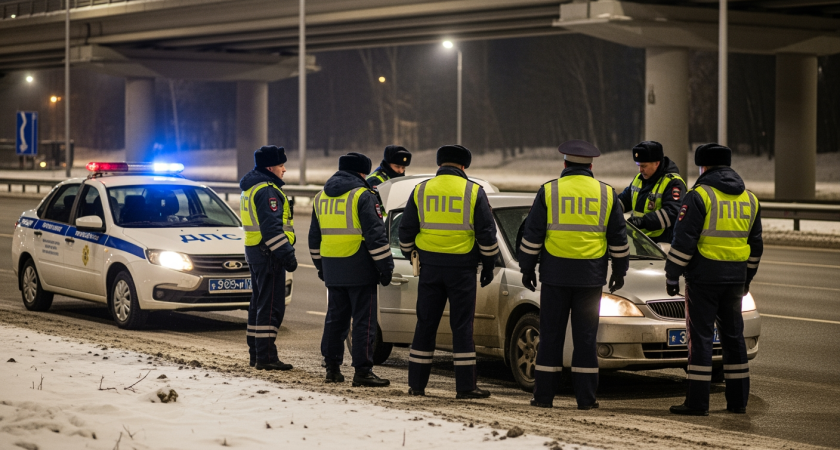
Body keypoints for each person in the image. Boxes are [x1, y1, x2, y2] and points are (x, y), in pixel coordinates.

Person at [518, 140, 629, 410]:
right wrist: (620, 270)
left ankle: (543, 397)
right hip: (590, 278)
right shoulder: (607, 193)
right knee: (586, 340)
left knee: (550, 337)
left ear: (565, 163)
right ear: (591, 166)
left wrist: (527, 268)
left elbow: (532, 236)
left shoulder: (549, 191)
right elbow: (618, 238)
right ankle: (586, 399)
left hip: (555, 277)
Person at [666, 143, 763, 416]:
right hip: (735, 280)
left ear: (703, 167)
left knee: (701, 339)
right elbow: (756, 246)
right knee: (734, 339)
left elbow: (683, 241)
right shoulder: (750, 199)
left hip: (704, 279)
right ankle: (738, 402)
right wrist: (746, 279)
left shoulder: (699, 196)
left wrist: (672, 275)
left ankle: (697, 403)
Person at [399, 144, 499, 399]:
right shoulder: (473, 191)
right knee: (462, 327)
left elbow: (406, 230)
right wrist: (488, 265)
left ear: (439, 163)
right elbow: (486, 234)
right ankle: (465, 387)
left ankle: (416, 385)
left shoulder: (421, 189)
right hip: (462, 269)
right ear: (464, 166)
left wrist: (412, 255)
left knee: (425, 324)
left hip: (430, 269)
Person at [309, 152, 394, 387]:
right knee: (363, 322)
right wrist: (386, 267)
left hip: (332, 268)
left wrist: (321, 266)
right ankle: (363, 371)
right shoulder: (363, 195)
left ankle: (332, 369)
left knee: (335, 320)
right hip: (360, 268)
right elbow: (375, 236)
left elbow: (314, 238)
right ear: (362, 173)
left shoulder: (320, 197)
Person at [239, 145, 298, 371]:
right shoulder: (267, 190)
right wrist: (288, 255)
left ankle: (257, 354)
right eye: (281, 165)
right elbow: (272, 231)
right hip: (269, 254)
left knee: (259, 304)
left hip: (256, 251)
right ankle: (266, 357)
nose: (284, 170)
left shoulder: (251, 187)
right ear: (270, 167)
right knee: (271, 307)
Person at [617, 141, 686, 244]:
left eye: (644, 166)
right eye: (638, 166)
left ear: (657, 163)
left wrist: (643, 221)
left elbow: (673, 212)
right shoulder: (639, 179)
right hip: (642, 241)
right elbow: (625, 200)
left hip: (662, 244)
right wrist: (612, 208)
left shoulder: (673, 183)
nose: (640, 170)